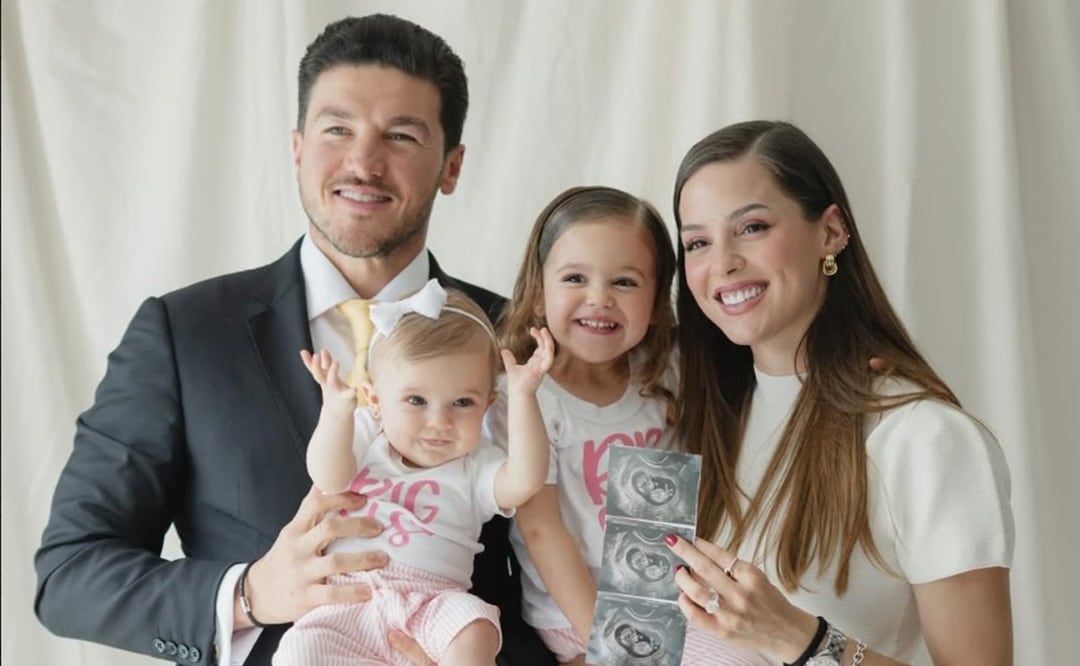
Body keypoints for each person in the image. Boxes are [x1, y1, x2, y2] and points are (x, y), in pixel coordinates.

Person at [34, 14, 555, 666]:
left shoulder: (519, 340)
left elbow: (565, 580)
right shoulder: (183, 332)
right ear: (298, 147)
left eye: (400, 134)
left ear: (452, 166)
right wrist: (250, 594)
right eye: (337, 129)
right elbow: (70, 574)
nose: (364, 163)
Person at [664, 120, 1014, 665]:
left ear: (830, 231)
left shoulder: (924, 440)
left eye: (751, 227)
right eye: (698, 243)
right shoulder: (700, 423)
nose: (723, 262)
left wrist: (801, 640)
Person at [490, 186, 768, 665]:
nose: (599, 299)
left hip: (665, 596)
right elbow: (542, 532)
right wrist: (608, 646)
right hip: (576, 614)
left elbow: (771, 359)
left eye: (625, 282)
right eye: (575, 277)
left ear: (659, 301)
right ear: (538, 293)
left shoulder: (669, 369)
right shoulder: (524, 396)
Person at [273, 281, 554, 665]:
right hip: (349, 601)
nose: (439, 422)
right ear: (374, 400)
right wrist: (336, 411)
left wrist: (523, 397)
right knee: (297, 650)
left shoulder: (475, 466)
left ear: (488, 405)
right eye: (416, 401)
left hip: (433, 603)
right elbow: (329, 477)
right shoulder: (366, 438)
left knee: (476, 629)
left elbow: (525, 480)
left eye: (462, 403)